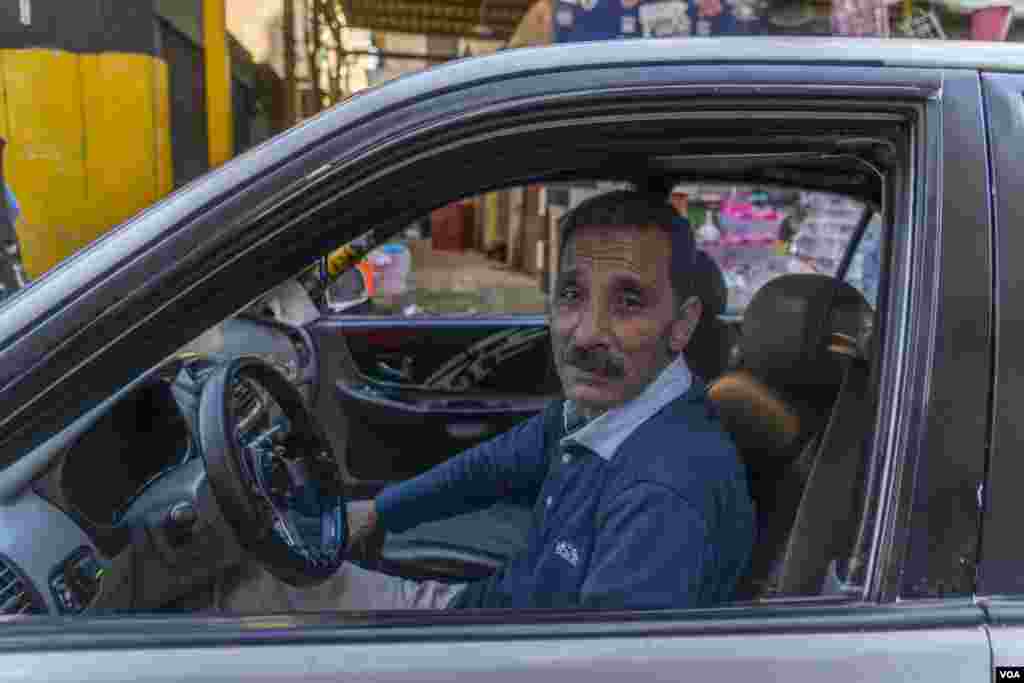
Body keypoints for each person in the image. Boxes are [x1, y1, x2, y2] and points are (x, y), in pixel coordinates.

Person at [219, 189, 755, 613]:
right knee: (270, 581)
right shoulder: (604, 413)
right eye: (571, 294)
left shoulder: (664, 494)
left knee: (243, 599)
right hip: (491, 617)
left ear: (681, 326)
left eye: (629, 300)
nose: (587, 333)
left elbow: (603, 668)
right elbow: (496, 464)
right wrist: (378, 512)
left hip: (486, 648)